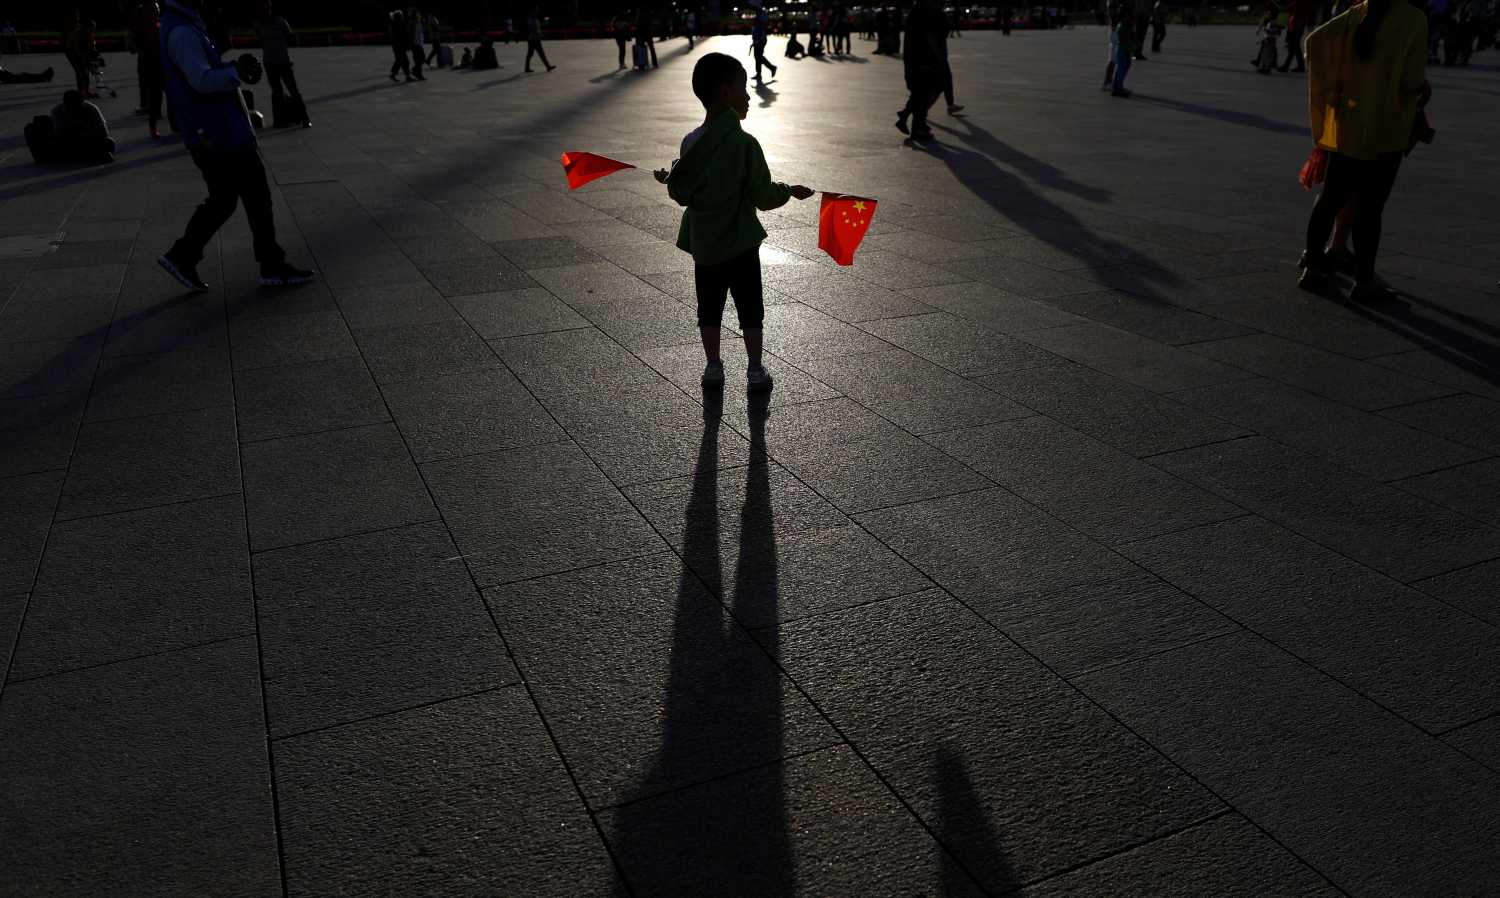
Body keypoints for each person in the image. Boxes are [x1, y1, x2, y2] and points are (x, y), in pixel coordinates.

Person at [653, 53, 814, 393]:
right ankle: (755, 370)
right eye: (743, 89)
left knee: (708, 310)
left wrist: (673, 176)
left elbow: (681, 193)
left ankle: (713, 368)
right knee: (750, 309)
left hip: (706, 246)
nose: (749, 97)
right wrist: (788, 191)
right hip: (740, 243)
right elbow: (763, 195)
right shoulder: (745, 143)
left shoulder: (691, 142)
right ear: (726, 93)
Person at [156, 0, 314, 292]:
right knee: (256, 197)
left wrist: (232, 68)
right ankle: (271, 265)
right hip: (220, 133)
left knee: (224, 199)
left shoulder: (181, 26)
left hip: (212, 132)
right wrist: (236, 73)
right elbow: (201, 80)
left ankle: (183, 255)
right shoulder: (182, 32)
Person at [1299, 0, 1428, 301]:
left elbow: (1314, 42)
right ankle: (1364, 282)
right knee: (1370, 208)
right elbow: (1410, 82)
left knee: (1330, 199)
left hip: (1349, 126)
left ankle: (1313, 268)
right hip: (1386, 130)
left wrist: (1336, 85)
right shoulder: (1414, 19)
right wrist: (1423, 89)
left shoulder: (1358, 12)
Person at [255, 0, 309, 127]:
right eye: (260, 9)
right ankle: (280, 120)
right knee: (277, 92)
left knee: (293, 90)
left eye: (265, 8)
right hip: (269, 63)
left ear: (269, 9)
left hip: (283, 62)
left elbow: (290, 37)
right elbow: (260, 41)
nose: (263, 12)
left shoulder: (280, 22)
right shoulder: (257, 25)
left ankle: (305, 118)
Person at [896, 0, 944, 140]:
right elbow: (929, 37)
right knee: (923, 93)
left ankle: (910, 121)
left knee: (920, 93)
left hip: (915, 60)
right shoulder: (922, 12)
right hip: (922, 60)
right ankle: (917, 127)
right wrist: (939, 56)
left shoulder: (916, 11)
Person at [26, 89, 114, 162]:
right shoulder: (57, 111)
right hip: (67, 141)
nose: (74, 110)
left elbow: (104, 133)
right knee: (31, 128)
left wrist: (84, 131)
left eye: (77, 107)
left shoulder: (91, 109)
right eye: (71, 107)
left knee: (109, 143)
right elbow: (59, 135)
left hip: (85, 139)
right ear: (65, 105)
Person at [1111, 1, 1138, 95]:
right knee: (1122, 65)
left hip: (1126, 34)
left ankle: (1118, 86)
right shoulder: (1125, 5)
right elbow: (1120, 15)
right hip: (1124, 36)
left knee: (1126, 64)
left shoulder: (1128, 5)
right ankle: (1117, 88)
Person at [63, 10, 90, 96]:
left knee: (85, 71)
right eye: (75, 16)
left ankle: (85, 90)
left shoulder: (79, 27)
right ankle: (82, 91)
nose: (77, 18)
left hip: (80, 51)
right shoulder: (69, 28)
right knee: (80, 71)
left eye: (77, 16)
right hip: (72, 52)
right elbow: (68, 44)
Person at [751, 4, 777, 83]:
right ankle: (759, 73)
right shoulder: (759, 15)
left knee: (758, 56)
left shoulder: (761, 15)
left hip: (761, 40)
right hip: (757, 39)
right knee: (757, 56)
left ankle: (771, 68)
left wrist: (759, 39)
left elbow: (762, 27)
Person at [1280, 0, 1310, 68]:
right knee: (1295, 46)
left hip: (1297, 24)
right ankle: (1300, 65)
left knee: (1293, 45)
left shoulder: (1300, 3)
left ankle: (1286, 65)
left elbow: (1291, 7)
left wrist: (1284, 8)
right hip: (1296, 24)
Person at [524, 7, 555, 72]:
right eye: (536, 10)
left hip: (536, 39)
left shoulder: (536, 19)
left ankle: (547, 66)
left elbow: (538, 29)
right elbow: (532, 29)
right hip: (532, 39)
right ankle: (527, 68)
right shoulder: (530, 19)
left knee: (538, 53)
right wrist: (540, 34)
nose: (537, 12)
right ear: (532, 11)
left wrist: (542, 30)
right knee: (531, 54)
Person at [389, 10, 412, 81]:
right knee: (404, 61)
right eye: (401, 16)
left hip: (398, 46)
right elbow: (401, 36)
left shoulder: (398, 24)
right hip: (398, 46)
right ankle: (407, 76)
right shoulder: (396, 25)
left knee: (400, 61)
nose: (402, 17)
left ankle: (393, 74)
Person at [408, 8, 426, 80]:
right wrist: (411, 44)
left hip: (419, 43)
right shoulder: (412, 23)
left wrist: (424, 23)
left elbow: (422, 31)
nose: (419, 15)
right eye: (418, 14)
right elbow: (411, 34)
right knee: (418, 59)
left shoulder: (419, 22)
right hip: (415, 44)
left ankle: (415, 70)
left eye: (419, 14)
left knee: (422, 59)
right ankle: (419, 74)